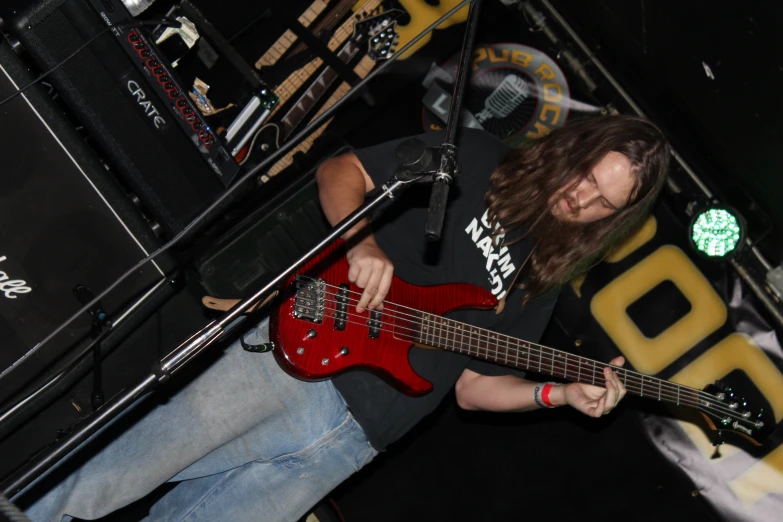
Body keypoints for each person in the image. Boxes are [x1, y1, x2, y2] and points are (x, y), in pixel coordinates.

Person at [20, 115, 670, 522]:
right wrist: (361, 244)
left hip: (351, 444)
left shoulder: (543, 280)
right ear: (572, 148)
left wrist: (556, 393)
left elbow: (472, 390)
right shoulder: (477, 160)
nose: (580, 198)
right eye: (586, 175)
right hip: (289, 365)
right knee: (97, 481)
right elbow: (343, 170)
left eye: (601, 202)